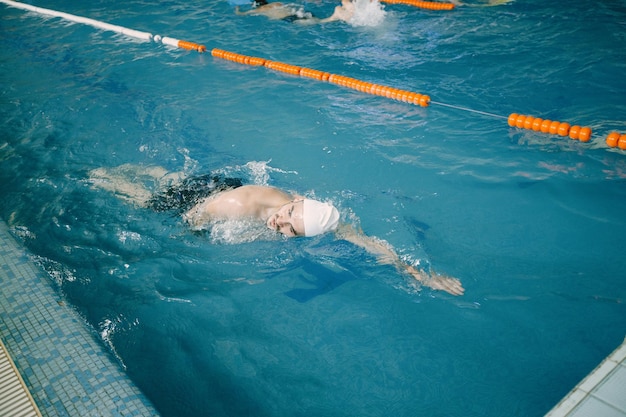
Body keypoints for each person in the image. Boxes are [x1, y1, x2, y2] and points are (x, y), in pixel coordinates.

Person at [89, 164, 464, 296]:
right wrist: (183, 237)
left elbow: (367, 241)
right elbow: (193, 219)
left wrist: (418, 274)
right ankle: (102, 179)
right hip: (211, 200)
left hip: (228, 185)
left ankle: (159, 174)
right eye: (287, 217)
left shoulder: (310, 209)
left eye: (291, 230)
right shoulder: (240, 206)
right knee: (154, 200)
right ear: (294, 204)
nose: (279, 224)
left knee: (175, 180)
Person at [235, 0, 355, 24]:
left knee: (320, 22)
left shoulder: (259, 10)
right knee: (315, 19)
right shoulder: (277, 3)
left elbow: (242, 14)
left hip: (290, 18)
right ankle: (336, 14)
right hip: (298, 12)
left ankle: (335, 16)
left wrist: (238, 11)